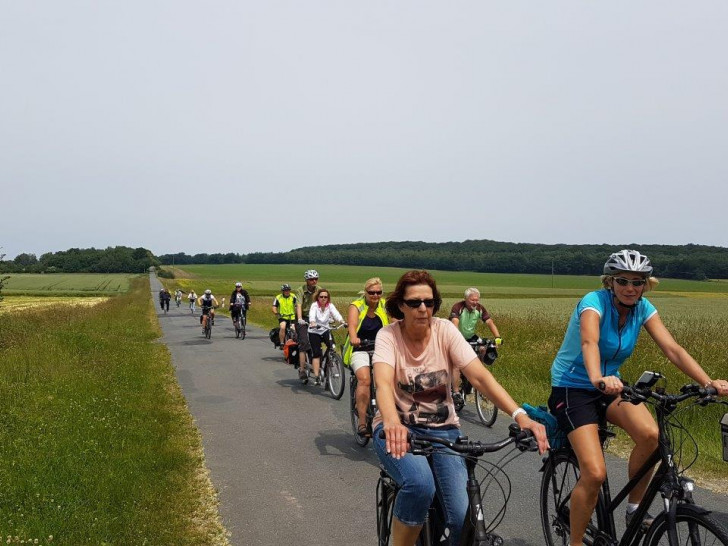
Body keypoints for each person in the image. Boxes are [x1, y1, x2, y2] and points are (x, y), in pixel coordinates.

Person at [548, 250, 728, 545]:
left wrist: (708, 382)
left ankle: (634, 508)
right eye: (623, 281)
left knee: (651, 436)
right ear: (610, 282)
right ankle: (576, 542)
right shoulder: (593, 302)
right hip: (573, 387)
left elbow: (673, 349)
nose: (630, 288)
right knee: (594, 473)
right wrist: (596, 377)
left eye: (638, 282)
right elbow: (589, 341)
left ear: (647, 284)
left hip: (614, 387)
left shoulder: (643, 308)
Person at [373, 270, 548, 546]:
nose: (423, 308)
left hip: (444, 433)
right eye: (415, 302)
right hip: (398, 430)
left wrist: (520, 415)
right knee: (420, 485)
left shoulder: (445, 331)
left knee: (463, 517)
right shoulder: (388, 336)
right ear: (401, 306)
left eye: (429, 302)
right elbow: (383, 383)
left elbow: (480, 377)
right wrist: (393, 422)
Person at [343, 277, 390, 436]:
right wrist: (354, 338)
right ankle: (362, 421)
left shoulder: (384, 305)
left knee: (389, 378)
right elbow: (352, 325)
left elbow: (396, 322)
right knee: (364, 379)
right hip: (360, 348)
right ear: (366, 292)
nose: (375, 295)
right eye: (372, 292)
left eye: (378, 292)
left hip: (380, 348)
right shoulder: (356, 306)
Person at [449, 287, 502, 405]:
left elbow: (490, 322)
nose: (475, 302)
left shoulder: (479, 308)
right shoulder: (458, 307)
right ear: (466, 299)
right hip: (456, 336)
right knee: (456, 364)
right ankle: (456, 392)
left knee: (484, 347)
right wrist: (459, 341)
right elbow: (455, 324)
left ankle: (476, 375)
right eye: (472, 300)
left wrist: (497, 338)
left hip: (470, 336)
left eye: (477, 300)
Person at [307, 287, 345, 385]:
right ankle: (317, 376)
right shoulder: (314, 306)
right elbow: (312, 314)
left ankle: (329, 361)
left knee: (332, 347)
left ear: (328, 298)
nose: (323, 298)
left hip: (325, 330)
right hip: (314, 331)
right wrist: (312, 322)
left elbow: (336, 314)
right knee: (316, 353)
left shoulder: (330, 306)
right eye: (321, 297)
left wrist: (342, 321)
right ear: (318, 298)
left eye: (325, 297)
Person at [295, 269, 319, 379]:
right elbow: (299, 305)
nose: (314, 281)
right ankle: (302, 369)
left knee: (321, 341)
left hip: (315, 318)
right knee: (304, 342)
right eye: (311, 279)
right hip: (303, 318)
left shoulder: (319, 290)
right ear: (306, 280)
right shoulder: (300, 290)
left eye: (315, 279)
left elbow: (325, 304)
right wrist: (299, 318)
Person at [271, 284, 297, 350]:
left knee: (294, 329)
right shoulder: (278, 297)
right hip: (283, 316)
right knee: (282, 327)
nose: (287, 292)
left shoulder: (293, 296)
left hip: (292, 316)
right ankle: (282, 343)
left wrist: (297, 311)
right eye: (285, 290)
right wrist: (276, 313)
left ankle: (295, 342)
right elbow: (274, 306)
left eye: (288, 290)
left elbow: (297, 305)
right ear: (282, 291)